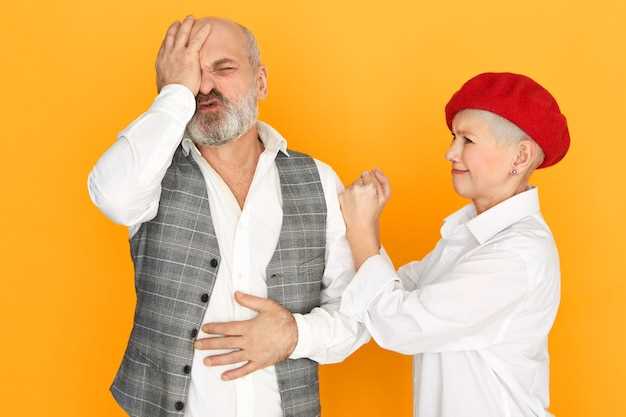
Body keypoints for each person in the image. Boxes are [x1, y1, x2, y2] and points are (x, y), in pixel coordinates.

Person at [87, 16, 369, 417]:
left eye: (223, 69)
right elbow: (112, 197)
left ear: (261, 81)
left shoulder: (319, 180)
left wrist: (296, 335)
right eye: (191, 75)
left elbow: (359, 310)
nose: (205, 87)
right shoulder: (150, 173)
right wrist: (174, 95)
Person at [338, 72, 570, 417]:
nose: (450, 152)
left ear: (520, 157)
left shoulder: (517, 254)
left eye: (468, 140)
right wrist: (364, 227)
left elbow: (398, 323)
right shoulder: (469, 235)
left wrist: (361, 228)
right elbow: (393, 290)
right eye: (453, 137)